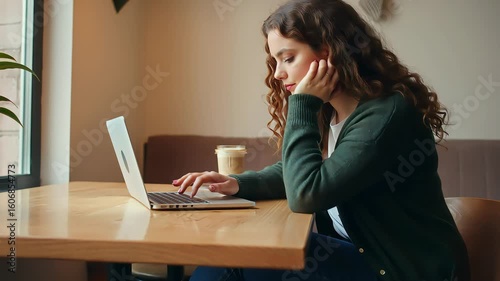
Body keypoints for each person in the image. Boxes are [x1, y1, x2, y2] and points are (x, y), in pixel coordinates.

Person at [173, 0, 470, 280]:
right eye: (275, 61)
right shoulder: (331, 112)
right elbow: (312, 173)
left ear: (329, 52)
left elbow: (306, 194)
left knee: (242, 255)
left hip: (400, 270)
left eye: (288, 58)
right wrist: (237, 183)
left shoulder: (387, 115)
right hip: (359, 258)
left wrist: (303, 102)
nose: (277, 73)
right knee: (240, 251)